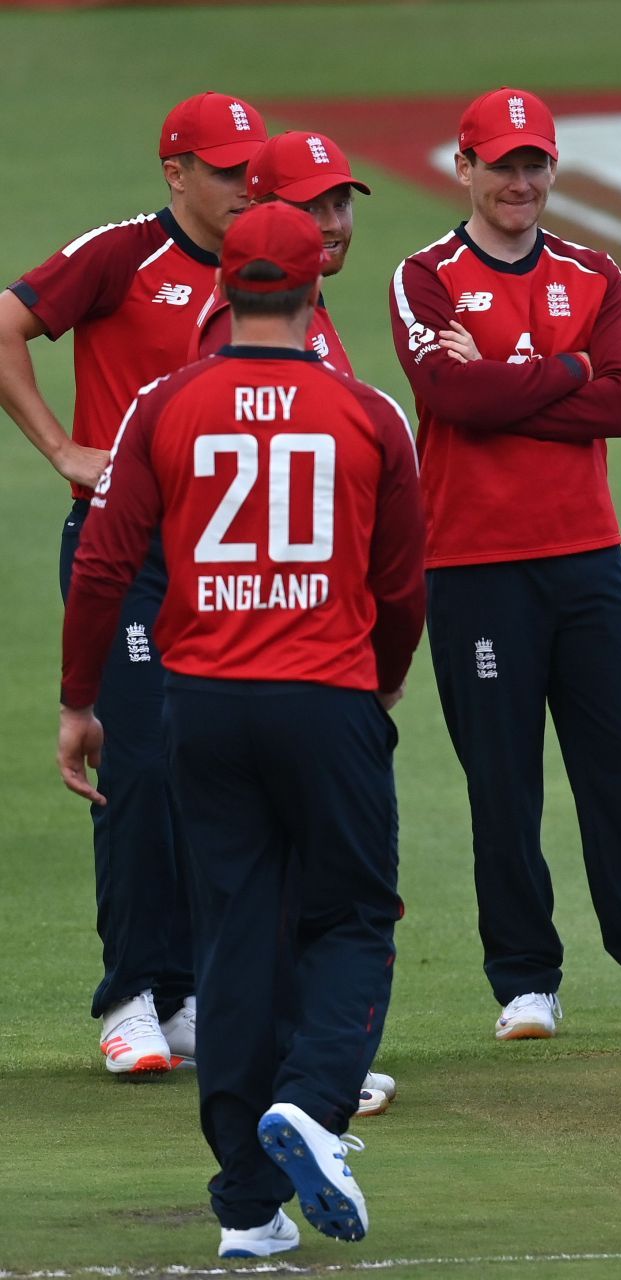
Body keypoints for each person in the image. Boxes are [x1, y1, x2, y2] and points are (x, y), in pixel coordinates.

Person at [58, 202, 425, 1258]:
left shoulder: (161, 405)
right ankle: (315, 1101)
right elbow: (403, 581)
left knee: (233, 937)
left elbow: (101, 564)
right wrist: (383, 682)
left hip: (202, 704)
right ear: (317, 293)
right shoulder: (368, 412)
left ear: (221, 284)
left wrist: (82, 699)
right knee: (353, 915)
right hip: (327, 696)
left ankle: (249, 1209)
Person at [387, 87, 621, 1043]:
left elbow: (620, 404)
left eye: (532, 163)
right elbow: (447, 394)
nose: (519, 181)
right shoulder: (425, 277)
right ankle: (525, 980)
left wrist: (513, 381)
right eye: (500, 164)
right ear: (465, 169)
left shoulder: (593, 271)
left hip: (587, 557)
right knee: (503, 780)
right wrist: (566, 371)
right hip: (471, 561)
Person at [2, 91, 265, 1076]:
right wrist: (61, 446)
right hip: (127, 551)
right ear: (177, 173)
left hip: (229, 560)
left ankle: (193, 990)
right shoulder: (121, 254)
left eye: (253, 165)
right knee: (143, 762)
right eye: (228, 167)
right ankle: (131, 997)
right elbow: (4, 326)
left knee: (214, 769)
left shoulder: (269, 262)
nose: (247, 182)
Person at [196, 127, 399, 1118]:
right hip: (306, 666)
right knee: (337, 901)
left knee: (259, 897)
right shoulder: (274, 344)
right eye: (316, 205)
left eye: (343, 202)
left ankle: (275, 1110)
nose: (335, 222)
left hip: (226, 673)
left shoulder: (269, 332)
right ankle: (311, 1080)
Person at [196, 129, 368, 368]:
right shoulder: (242, 321)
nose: (333, 225)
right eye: (310, 209)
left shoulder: (298, 298)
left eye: (341, 204)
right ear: (256, 211)